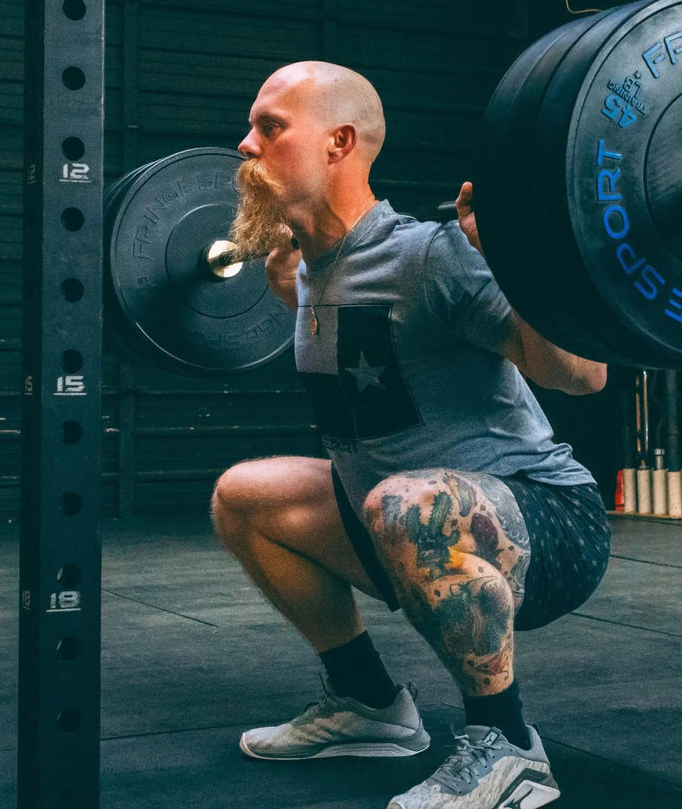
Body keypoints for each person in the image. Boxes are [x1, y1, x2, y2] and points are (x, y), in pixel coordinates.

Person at [210, 60, 611, 809]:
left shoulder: (431, 255)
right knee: (244, 498)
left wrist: (512, 264)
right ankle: (369, 704)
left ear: (338, 143)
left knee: (404, 504)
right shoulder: (305, 270)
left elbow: (583, 375)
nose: (246, 145)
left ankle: (509, 746)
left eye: (270, 127)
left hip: (552, 521)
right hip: (397, 516)